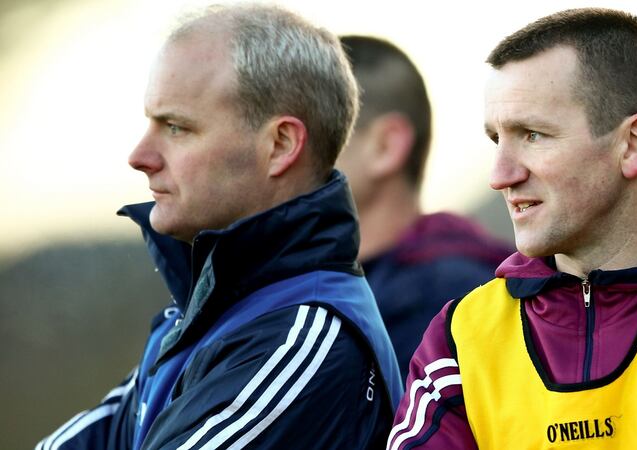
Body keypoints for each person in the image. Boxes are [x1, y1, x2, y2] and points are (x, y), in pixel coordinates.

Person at [387, 7, 637, 450]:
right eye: (496, 139)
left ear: (633, 144)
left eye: (533, 135)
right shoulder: (458, 339)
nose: (501, 175)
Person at [36, 4, 402, 450]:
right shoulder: (208, 316)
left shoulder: (302, 342)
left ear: (280, 144)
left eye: (176, 127)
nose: (139, 156)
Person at [336, 36, 513, 380]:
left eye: (316, 133)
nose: (280, 152)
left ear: (385, 146)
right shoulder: (354, 284)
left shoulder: (444, 295)